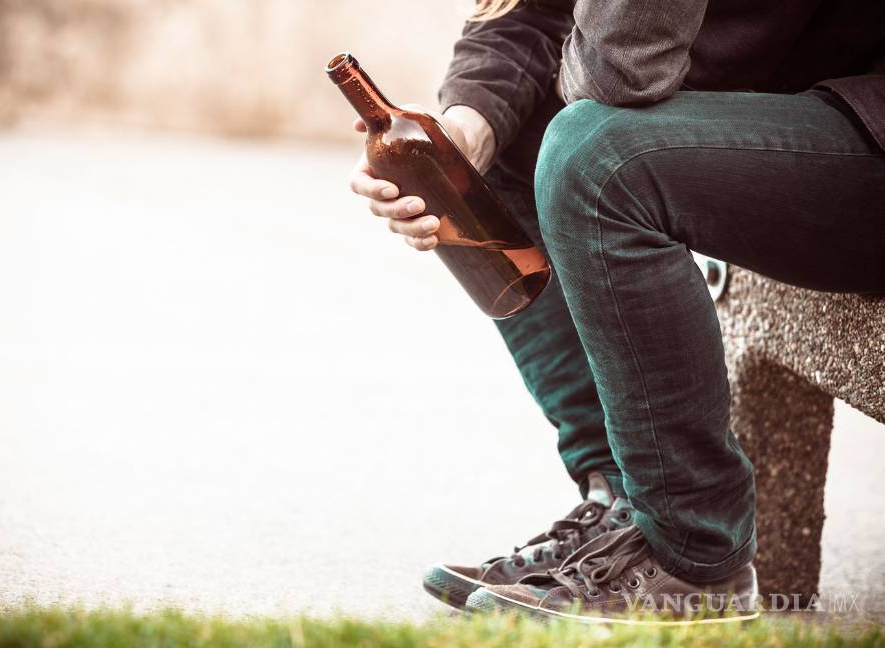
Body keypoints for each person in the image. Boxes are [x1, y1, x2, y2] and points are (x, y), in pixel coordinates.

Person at [348, 0, 885, 623]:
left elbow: (623, 71)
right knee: (495, 145)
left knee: (594, 156)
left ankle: (695, 556)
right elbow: (531, 12)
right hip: (804, 100)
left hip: (865, 122)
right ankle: (624, 504)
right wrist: (465, 129)